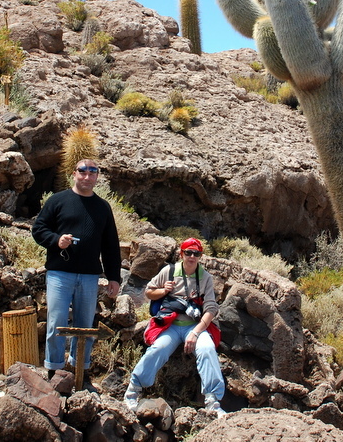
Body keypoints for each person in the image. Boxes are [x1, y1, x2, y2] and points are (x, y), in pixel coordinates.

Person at [31, 159, 122, 379]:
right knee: (56, 321)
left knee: (85, 325)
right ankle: (54, 369)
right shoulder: (58, 200)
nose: (87, 176)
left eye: (92, 172)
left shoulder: (102, 207)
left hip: (90, 276)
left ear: (97, 177)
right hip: (60, 273)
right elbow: (38, 228)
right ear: (74, 174)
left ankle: (81, 369)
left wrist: (114, 277)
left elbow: (110, 244)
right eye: (83, 171)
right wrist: (56, 240)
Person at [124, 238, 226, 418]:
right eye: (188, 252)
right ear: (182, 254)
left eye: (196, 253)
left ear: (200, 256)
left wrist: (195, 332)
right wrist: (163, 291)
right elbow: (149, 292)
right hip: (171, 325)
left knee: (207, 348)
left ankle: (213, 402)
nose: (192, 256)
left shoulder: (205, 278)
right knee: (158, 349)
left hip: (194, 326)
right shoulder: (169, 271)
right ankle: (133, 391)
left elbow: (211, 309)